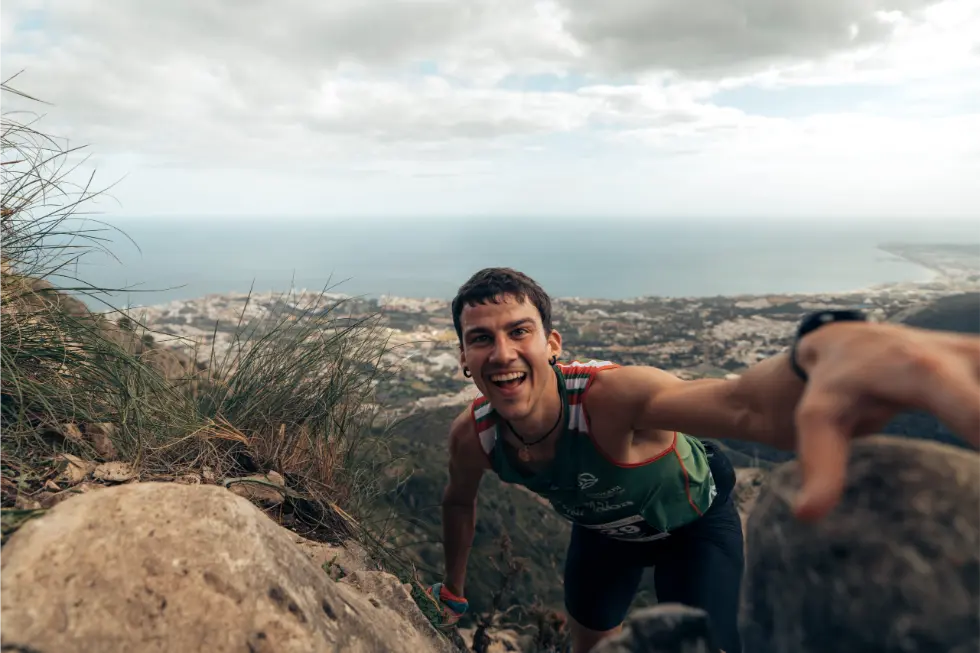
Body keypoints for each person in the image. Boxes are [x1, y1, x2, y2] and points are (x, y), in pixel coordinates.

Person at [426, 267, 980, 653]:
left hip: (694, 524)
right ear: (463, 359)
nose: (501, 353)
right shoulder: (474, 437)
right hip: (602, 531)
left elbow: (741, 405)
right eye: (481, 339)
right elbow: (457, 503)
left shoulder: (611, 400)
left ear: (552, 343)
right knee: (590, 643)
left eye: (519, 331)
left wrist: (818, 349)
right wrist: (452, 589)